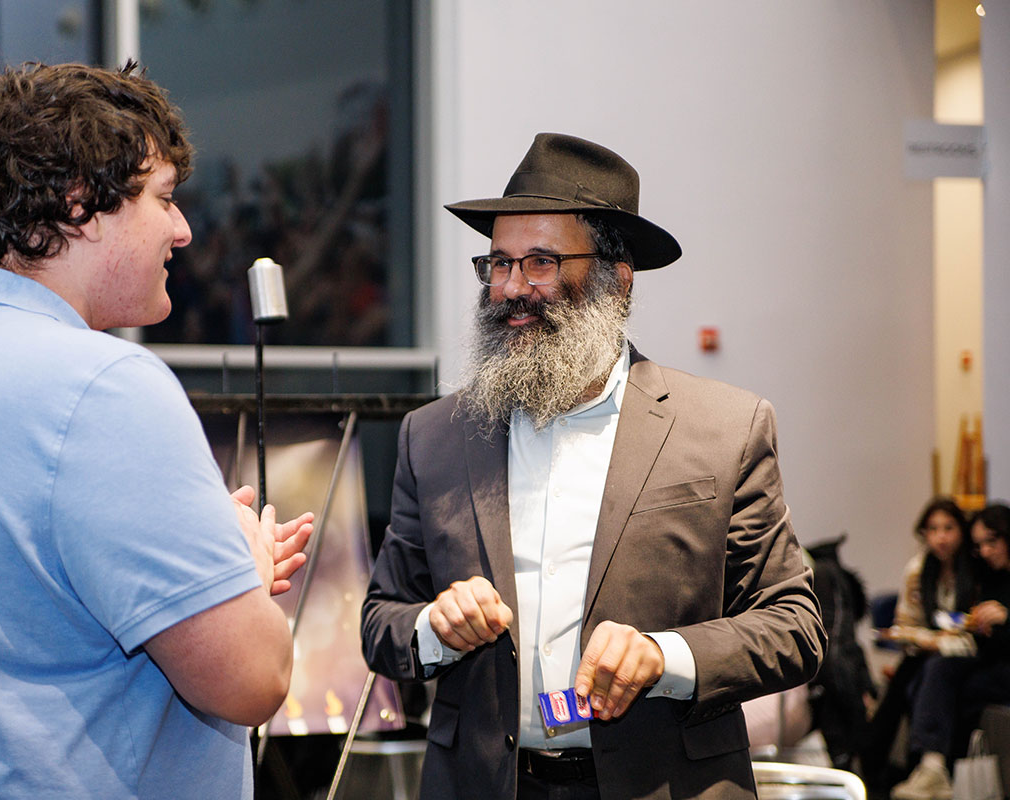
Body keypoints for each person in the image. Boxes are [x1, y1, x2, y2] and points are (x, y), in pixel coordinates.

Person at [0, 62, 313, 800]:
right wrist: (241, 565)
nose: (184, 231)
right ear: (79, 204)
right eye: (165, 198)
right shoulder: (105, 387)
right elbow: (255, 682)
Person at [360, 133, 826, 800]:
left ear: (616, 277)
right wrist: (434, 627)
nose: (511, 289)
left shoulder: (724, 429)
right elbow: (381, 621)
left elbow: (794, 625)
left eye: (541, 263)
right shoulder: (433, 437)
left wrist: (666, 655)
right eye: (497, 264)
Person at [862, 498, 982, 793]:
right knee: (908, 677)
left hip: (967, 654)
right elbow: (907, 625)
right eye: (933, 529)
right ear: (924, 533)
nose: (941, 537)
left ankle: (916, 768)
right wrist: (932, 640)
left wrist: (937, 640)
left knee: (920, 677)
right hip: (928, 653)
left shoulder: (977, 568)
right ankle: (891, 769)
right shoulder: (918, 569)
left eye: (949, 528)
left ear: (962, 531)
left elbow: (979, 629)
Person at [891, 503, 1010, 800]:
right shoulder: (987, 574)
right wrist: (981, 627)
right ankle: (931, 768)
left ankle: (930, 769)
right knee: (930, 671)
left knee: (931, 677)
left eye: (991, 542)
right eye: (979, 544)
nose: (984, 551)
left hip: (1001, 666)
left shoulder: (980, 573)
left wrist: (1006, 618)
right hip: (992, 659)